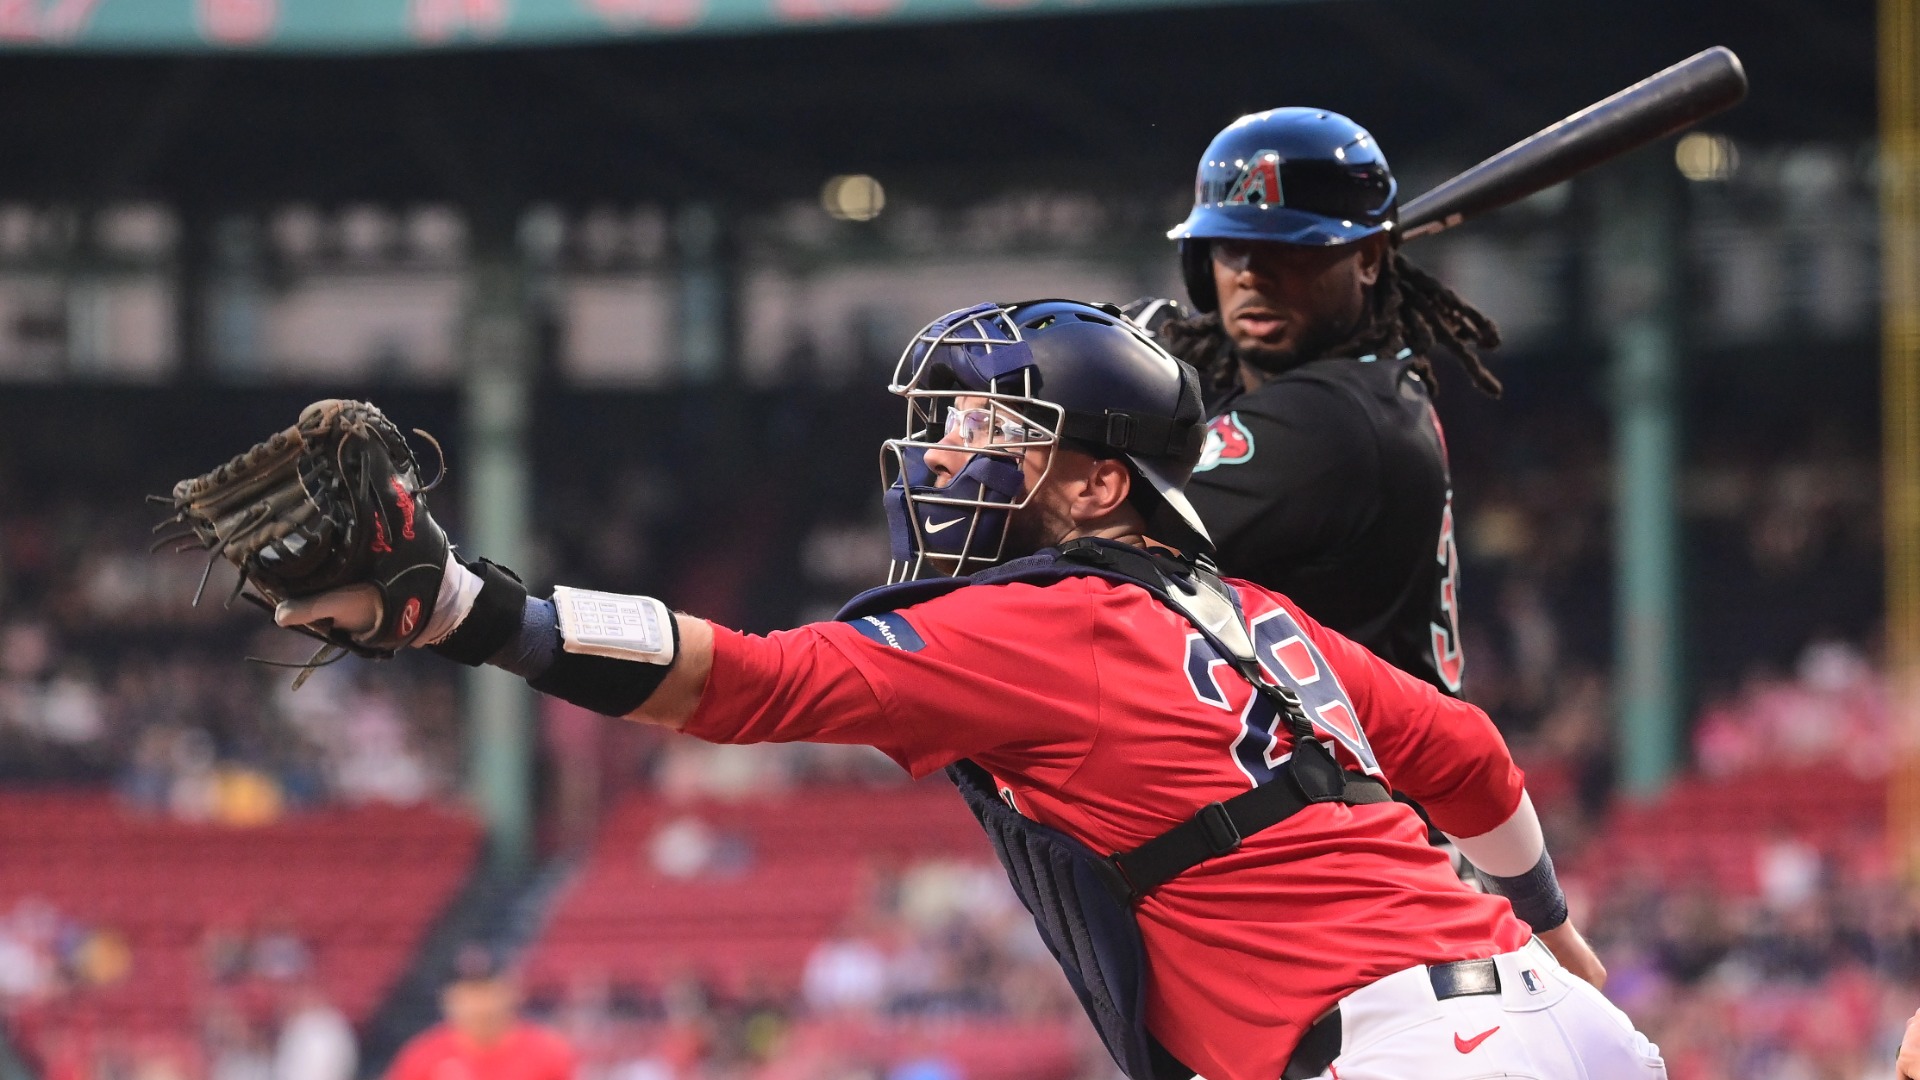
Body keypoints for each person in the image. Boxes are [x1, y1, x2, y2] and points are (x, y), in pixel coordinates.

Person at [271, 301, 1656, 1080]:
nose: (939, 461)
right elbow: (1467, 756)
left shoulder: (1033, 625)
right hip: (1553, 1025)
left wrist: (463, 608)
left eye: (987, 434)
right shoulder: (1248, 610)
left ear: (1101, 482)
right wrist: (1552, 931)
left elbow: (744, 684)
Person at [1129, 107, 1503, 697]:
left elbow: (1095, 523)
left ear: (1370, 258)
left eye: (1290, 248)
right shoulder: (1351, 398)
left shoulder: (1334, 420)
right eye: (1231, 246)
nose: (1253, 274)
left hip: (1361, 782)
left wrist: (1099, 379)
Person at [385, 945, 574, 1080]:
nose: (479, 1004)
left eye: (486, 990)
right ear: (449, 998)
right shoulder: (422, 1056)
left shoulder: (546, 1052)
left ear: (511, 991)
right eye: (468, 993)